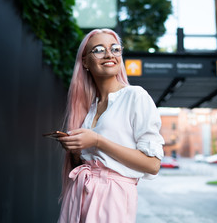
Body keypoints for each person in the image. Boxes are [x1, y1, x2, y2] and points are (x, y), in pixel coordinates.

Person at [57, 28, 164, 223]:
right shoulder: (88, 108)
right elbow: (89, 161)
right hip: (80, 193)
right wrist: (75, 148)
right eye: (98, 49)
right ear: (85, 62)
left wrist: (97, 140)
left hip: (113, 197)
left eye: (115, 49)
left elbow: (153, 164)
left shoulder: (135, 96)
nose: (109, 54)